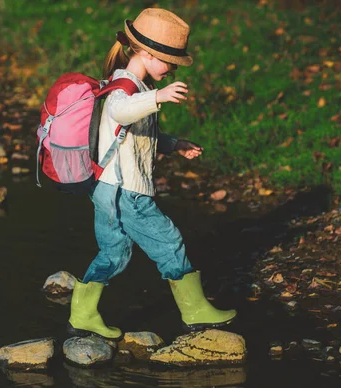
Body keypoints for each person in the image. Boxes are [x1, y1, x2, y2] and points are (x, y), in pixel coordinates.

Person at [67, 8, 237, 340]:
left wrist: (174, 144)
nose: (172, 68)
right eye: (169, 61)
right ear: (146, 53)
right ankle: (195, 311)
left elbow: (137, 135)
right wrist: (157, 97)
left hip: (107, 187)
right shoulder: (125, 85)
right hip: (125, 191)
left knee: (114, 252)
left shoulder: (137, 85)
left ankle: (82, 314)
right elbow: (119, 110)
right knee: (168, 241)